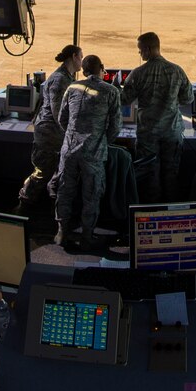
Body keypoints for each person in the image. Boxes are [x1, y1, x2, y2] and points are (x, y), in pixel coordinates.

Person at [55, 55, 122, 250]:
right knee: (91, 195)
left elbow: (62, 119)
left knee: (65, 192)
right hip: (93, 152)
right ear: (102, 68)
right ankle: (87, 236)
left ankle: (61, 232)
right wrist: (102, 141)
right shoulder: (111, 91)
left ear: (83, 72)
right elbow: (115, 126)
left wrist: (72, 136)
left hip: (69, 150)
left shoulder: (72, 87)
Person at [121, 32, 193, 202]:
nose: (139, 53)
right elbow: (188, 98)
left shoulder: (138, 73)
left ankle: (150, 210)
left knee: (149, 175)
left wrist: (116, 86)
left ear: (148, 49)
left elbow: (124, 100)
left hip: (148, 133)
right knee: (171, 174)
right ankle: (170, 210)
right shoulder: (177, 71)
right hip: (172, 132)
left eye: (140, 50)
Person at [17, 45, 83, 214]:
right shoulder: (60, 80)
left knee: (55, 176)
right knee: (42, 174)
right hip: (49, 136)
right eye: (80, 57)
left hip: (56, 136)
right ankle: (22, 208)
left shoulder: (66, 77)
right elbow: (59, 114)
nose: (81, 62)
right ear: (74, 57)